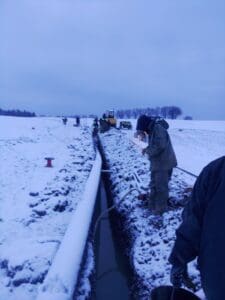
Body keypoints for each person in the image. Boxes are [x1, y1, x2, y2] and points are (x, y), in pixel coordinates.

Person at [169, 156, 225, 300]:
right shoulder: (215, 171)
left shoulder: (216, 170)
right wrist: (179, 259)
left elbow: (192, 222)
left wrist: (179, 260)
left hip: (216, 281)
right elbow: (193, 222)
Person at [136, 115, 177, 214]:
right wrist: (146, 148)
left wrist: (147, 151)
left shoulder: (158, 129)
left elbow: (159, 146)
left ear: (145, 125)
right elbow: (154, 145)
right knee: (154, 185)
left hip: (164, 164)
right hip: (157, 163)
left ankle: (160, 209)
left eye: (142, 129)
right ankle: (152, 205)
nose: (143, 132)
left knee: (161, 187)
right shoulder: (152, 129)